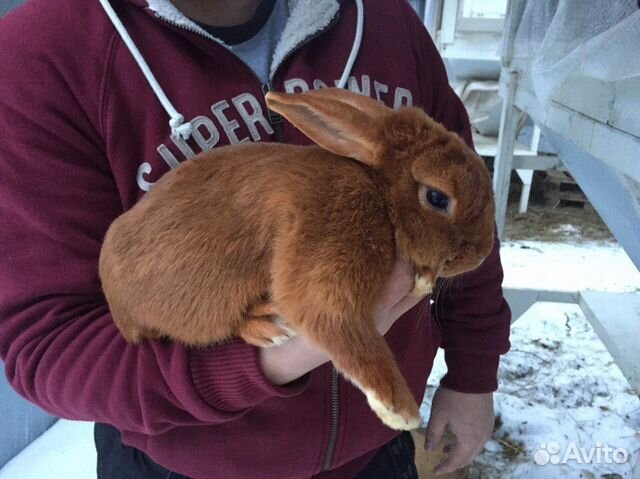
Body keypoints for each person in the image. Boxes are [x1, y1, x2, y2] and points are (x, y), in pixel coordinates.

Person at [0, 0, 511, 477]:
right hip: (184, 463)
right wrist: (277, 357)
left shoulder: (385, 20)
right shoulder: (44, 53)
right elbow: (49, 345)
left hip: (376, 452)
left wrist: (473, 374)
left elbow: (466, 215)